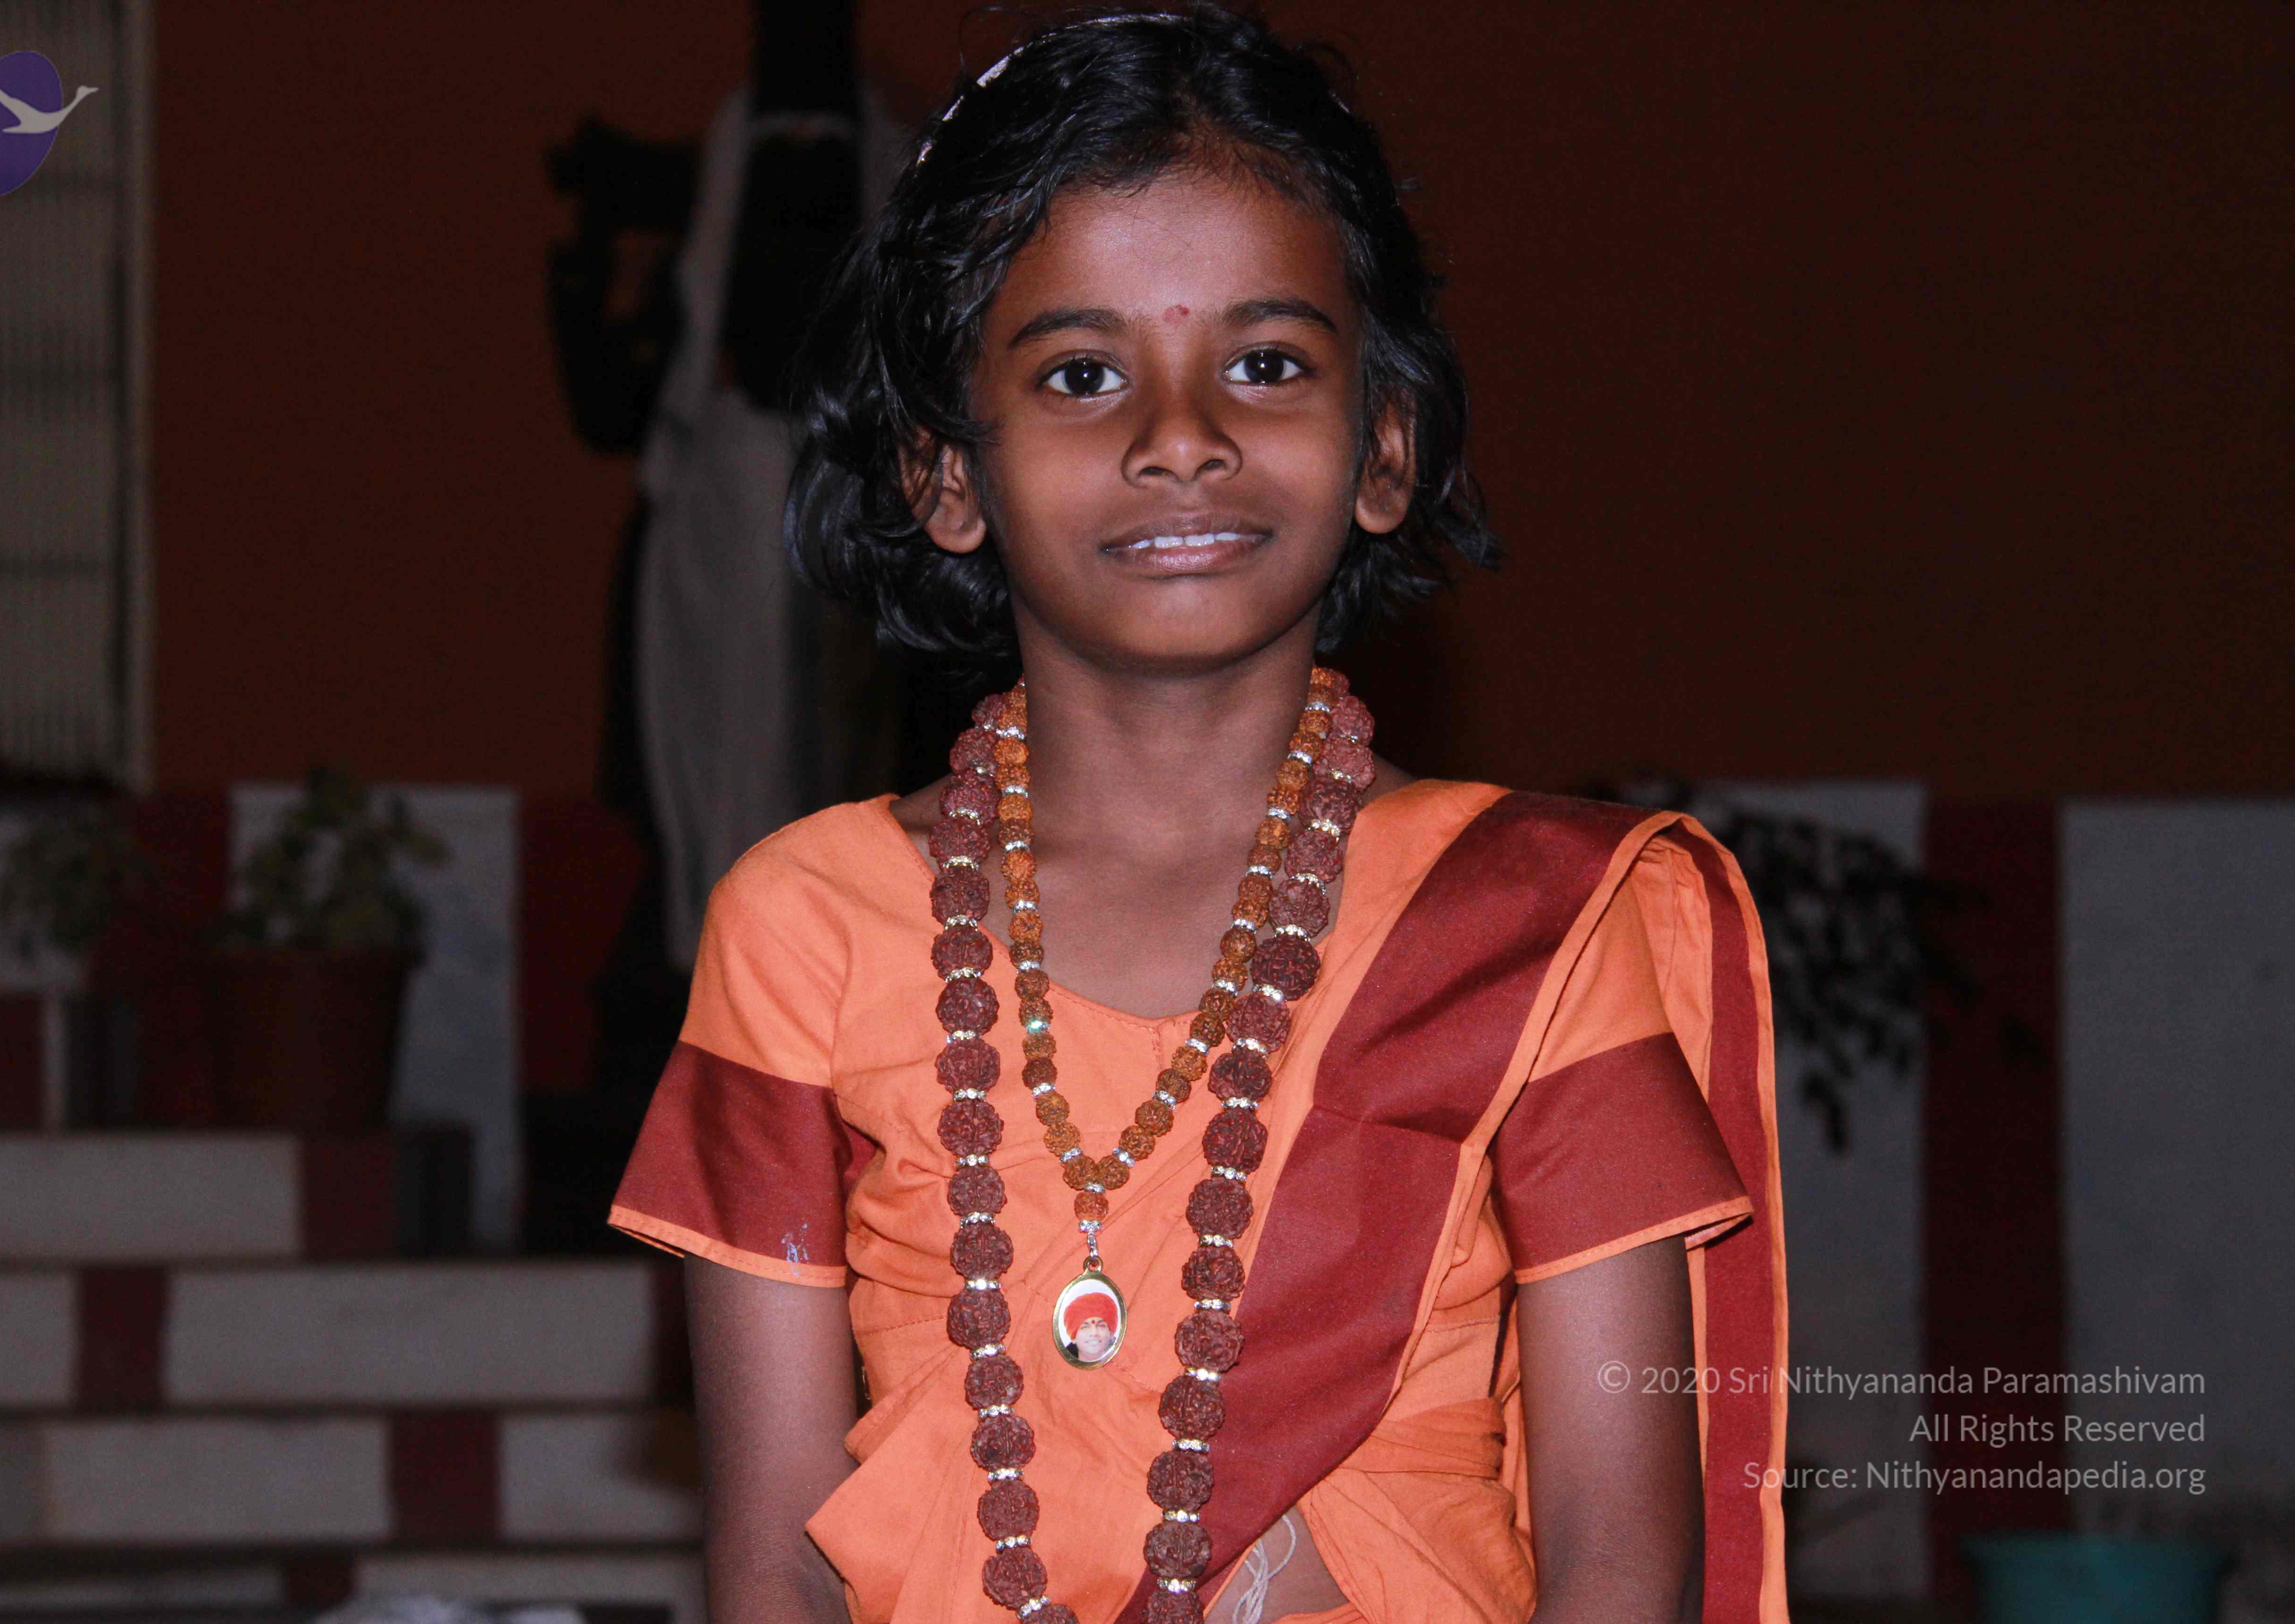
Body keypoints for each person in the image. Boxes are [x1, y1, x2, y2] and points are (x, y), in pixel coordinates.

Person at [611, 8, 1789, 1622]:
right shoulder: (806, 923)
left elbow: (1621, 1560)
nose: (1182, 438)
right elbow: (775, 1563)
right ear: (948, 476)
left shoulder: (1528, 923)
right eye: (1083, 375)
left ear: (1385, 448)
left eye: (1266, 364)